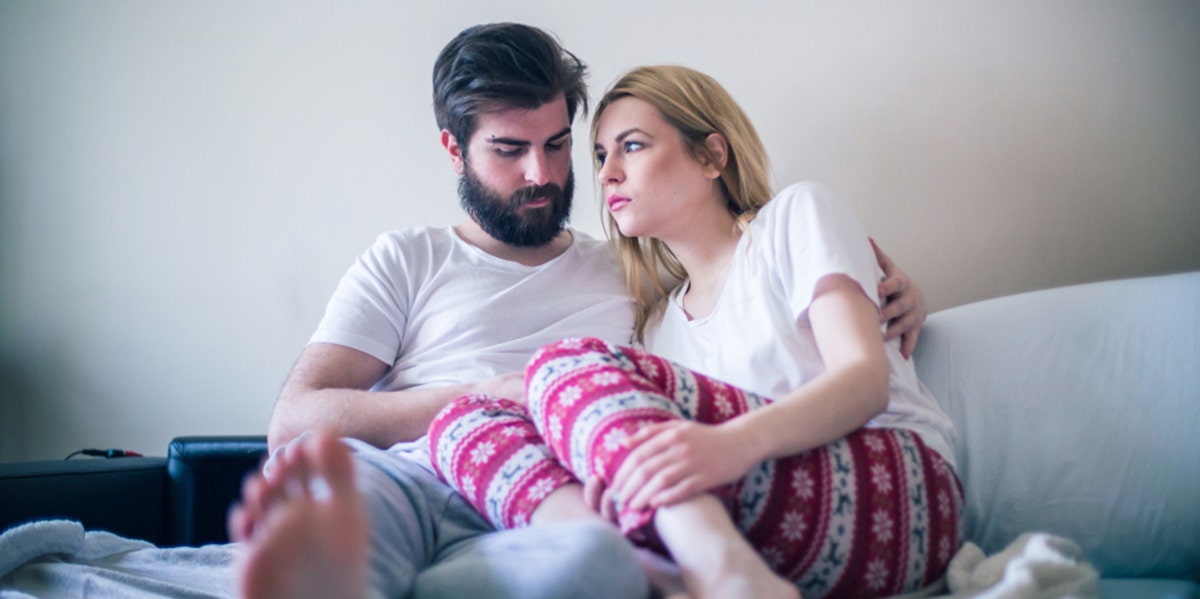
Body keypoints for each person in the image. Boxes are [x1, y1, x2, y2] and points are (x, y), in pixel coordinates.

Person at [230, 24, 930, 599]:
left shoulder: (631, 276)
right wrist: (492, 392)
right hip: (413, 475)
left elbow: (753, 290)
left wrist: (883, 286)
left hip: (558, 503)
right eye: (510, 150)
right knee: (351, 530)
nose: (545, 173)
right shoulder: (407, 258)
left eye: (561, 145)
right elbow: (293, 420)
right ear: (454, 149)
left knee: (586, 567)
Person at [428, 65, 961, 599]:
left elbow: (864, 382)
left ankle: (727, 578)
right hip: (763, 517)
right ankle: (659, 575)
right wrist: (626, 480)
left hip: (902, 490)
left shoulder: (795, 218)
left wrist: (728, 446)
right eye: (599, 156)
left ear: (711, 156)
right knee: (463, 422)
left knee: (560, 364)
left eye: (631, 146)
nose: (608, 172)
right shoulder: (656, 328)